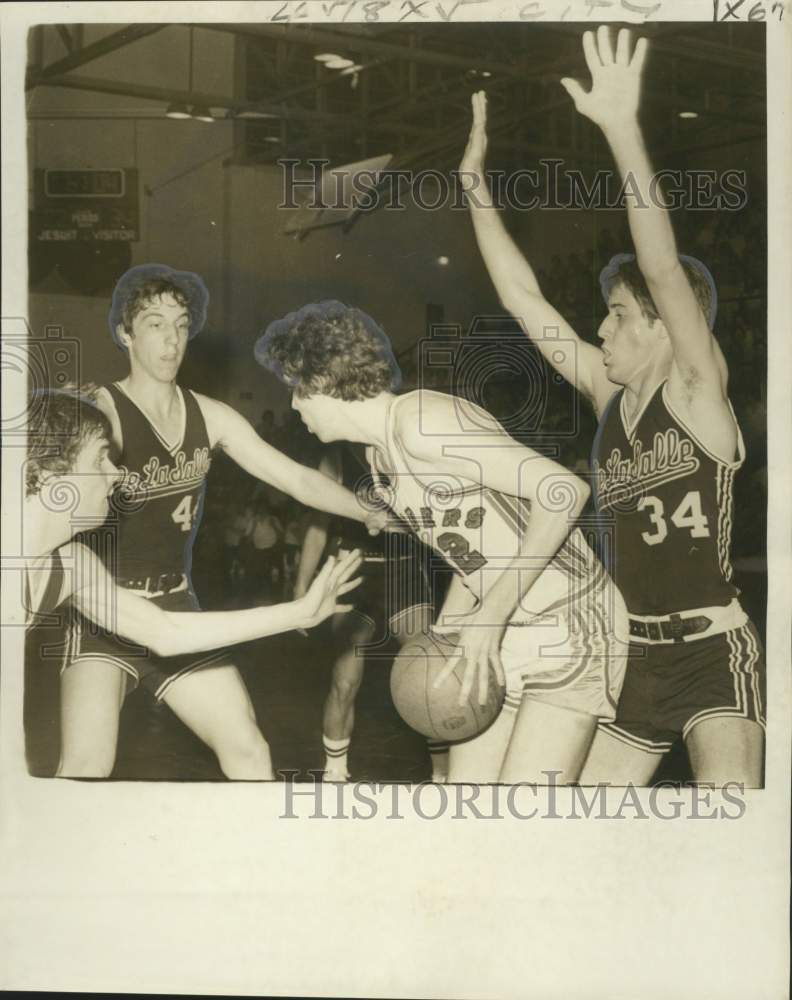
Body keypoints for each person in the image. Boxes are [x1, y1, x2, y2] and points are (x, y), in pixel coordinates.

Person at [461, 27, 764, 786]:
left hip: (708, 655)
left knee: (729, 837)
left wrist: (622, 128)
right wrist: (472, 188)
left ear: (663, 325)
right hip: (627, 651)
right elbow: (524, 299)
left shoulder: (696, 388)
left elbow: (661, 266)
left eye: (620, 314)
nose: (602, 327)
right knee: (586, 842)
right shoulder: (608, 394)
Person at [256, 300, 628, 784]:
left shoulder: (421, 422)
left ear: (324, 381)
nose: (293, 406)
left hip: (571, 618)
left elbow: (563, 492)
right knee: (464, 802)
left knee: (528, 817)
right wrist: (453, 624)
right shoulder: (380, 458)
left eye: (296, 390)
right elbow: (469, 552)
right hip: (503, 625)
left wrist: (490, 616)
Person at [59, 265, 381, 780]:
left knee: (249, 750)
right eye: (155, 324)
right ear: (125, 333)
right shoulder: (102, 413)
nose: (171, 339)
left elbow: (298, 480)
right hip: (107, 611)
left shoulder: (210, 416)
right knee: (84, 768)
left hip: (174, 600)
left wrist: (369, 511)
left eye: (181, 325)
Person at [23, 389, 361, 655]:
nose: (115, 474)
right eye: (99, 458)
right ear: (46, 475)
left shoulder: (73, 567)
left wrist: (299, 612)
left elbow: (167, 633)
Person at [293, 442, 446, 783]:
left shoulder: (404, 443)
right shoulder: (335, 456)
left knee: (429, 679)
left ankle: (444, 778)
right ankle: (334, 772)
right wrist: (301, 587)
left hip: (403, 570)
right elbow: (318, 524)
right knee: (344, 680)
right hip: (355, 570)